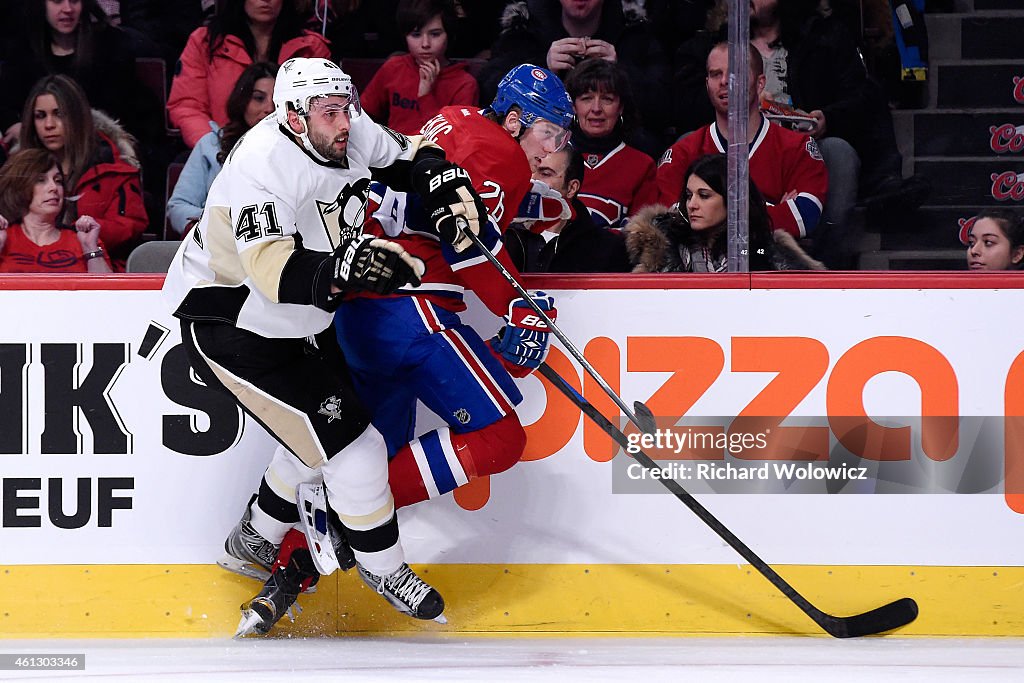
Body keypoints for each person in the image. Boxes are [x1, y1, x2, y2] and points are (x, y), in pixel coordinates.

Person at [240, 63, 573, 634]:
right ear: (515, 119)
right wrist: (517, 303)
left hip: (359, 314)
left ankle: (285, 577)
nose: (552, 150)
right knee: (499, 437)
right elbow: (465, 239)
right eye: (549, 132)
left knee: (368, 461)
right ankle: (344, 520)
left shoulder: (447, 122)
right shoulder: (501, 152)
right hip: (412, 310)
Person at [163, 57, 492, 630]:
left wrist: (442, 180)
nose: (346, 123)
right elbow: (273, 272)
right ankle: (383, 566)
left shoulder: (340, 123)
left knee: (314, 435)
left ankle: (254, 537)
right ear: (293, 117)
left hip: (298, 321)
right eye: (331, 113)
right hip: (233, 326)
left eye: (347, 108)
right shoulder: (259, 169)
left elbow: (407, 156)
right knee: (357, 448)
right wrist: (348, 266)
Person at [655, 42, 828, 242]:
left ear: (760, 83)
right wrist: (768, 212)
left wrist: (710, 215)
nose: (724, 82)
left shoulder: (797, 148)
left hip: (770, 266)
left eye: (735, 73)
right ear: (707, 83)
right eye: (715, 74)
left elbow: (805, 216)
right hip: (702, 269)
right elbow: (673, 221)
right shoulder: (682, 153)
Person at [479, 0, 672, 140]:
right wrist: (541, 70)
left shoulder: (635, 34)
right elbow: (490, 96)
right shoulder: (524, 31)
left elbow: (665, 108)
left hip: (618, 151)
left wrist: (619, 72)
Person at [18, 75, 148, 271]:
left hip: (95, 266)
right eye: (40, 116)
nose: (49, 125)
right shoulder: (18, 170)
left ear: (77, 117)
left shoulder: (114, 168)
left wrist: (74, 231)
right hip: (29, 266)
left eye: (59, 114)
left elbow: (132, 225)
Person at [0, 0, 162, 149]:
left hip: (97, 145)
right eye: (57, 1)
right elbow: (6, 101)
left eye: (74, 1)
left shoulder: (110, 45)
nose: (68, 9)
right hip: (41, 145)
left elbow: (125, 111)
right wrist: (14, 124)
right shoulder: (23, 49)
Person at [168, 0, 331, 147]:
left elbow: (324, 112)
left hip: (293, 155)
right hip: (220, 152)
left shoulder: (312, 49)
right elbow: (187, 106)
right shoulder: (204, 42)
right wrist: (213, 146)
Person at [627, 153, 824, 272]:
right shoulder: (664, 246)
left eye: (704, 196)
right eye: (688, 196)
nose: (692, 204)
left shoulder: (758, 249)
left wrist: (759, 253)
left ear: (733, 200)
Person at [166, 62, 278, 237]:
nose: (269, 109)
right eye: (258, 98)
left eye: (276, 100)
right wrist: (214, 223)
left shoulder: (299, 151)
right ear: (242, 101)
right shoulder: (211, 144)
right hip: (216, 244)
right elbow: (179, 206)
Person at [504, 143, 630, 272]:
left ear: (571, 188)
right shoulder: (497, 233)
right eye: (528, 170)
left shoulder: (607, 249)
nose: (532, 179)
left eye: (545, 174)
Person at [359, 0, 479, 135]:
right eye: (416, 35)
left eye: (435, 34)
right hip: (393, 152)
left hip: (438, 154)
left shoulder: (464, 84)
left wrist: (425, 96)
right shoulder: (394, 68)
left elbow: (457, 138)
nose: (425, 44)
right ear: (405, 36)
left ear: (449, 35)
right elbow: (362, 113)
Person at [563, 57, 657, 228]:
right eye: (586, 98)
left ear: (620, 107)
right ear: (573, 106)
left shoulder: (642, 166)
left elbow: (640, 238)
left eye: (607, 99)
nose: (596, 108)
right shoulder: (551, 156)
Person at [0, 148, 113, 273]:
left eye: (58, 181)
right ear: (18, 187)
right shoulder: (4, 237)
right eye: (40, 180)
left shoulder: (83, 238)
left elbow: (108, 291)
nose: (54, 188)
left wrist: (90, 248)